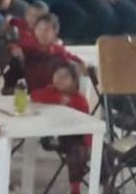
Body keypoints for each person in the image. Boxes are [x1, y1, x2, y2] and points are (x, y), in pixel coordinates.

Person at [31, 62, 91, 194]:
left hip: (78, 136)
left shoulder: (80, 100)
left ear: (74, 81)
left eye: (65, 76)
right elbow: (34, 95)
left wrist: (89, 144)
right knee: (77, 151)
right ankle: (75, 189)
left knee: (104, 151)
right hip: (56, 137)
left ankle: (106, 183)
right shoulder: (50, 92)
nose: (60, 79)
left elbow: (87, 124)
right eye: (57, 75)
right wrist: (58, 98)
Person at [12, 13, 84, 91]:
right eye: (39, 29)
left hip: (53, 91)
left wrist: (80, 64)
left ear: (55, 32)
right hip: (28, 91)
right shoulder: (27, 46)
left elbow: (72, 59)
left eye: (47, 30)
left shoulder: (59, 51)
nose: (42, 33)